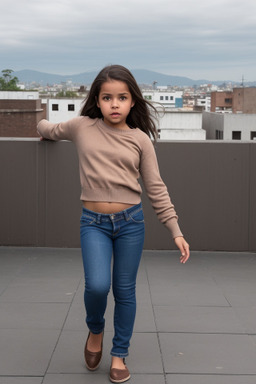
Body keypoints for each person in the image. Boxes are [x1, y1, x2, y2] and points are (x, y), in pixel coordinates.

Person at [37, 64, 190, 383]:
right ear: (97, 99)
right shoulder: (82, 127)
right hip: (93, 222)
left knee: (124, 291)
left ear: (133, 100)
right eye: (108, 98)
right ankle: (95, 329)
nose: (115, 104)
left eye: (122, 97)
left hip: (131, 223)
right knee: (96, 285)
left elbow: (156, 187)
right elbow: (50, 130)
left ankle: (119, 354)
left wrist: (175, 230)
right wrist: (39, 124)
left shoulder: (140, 140)